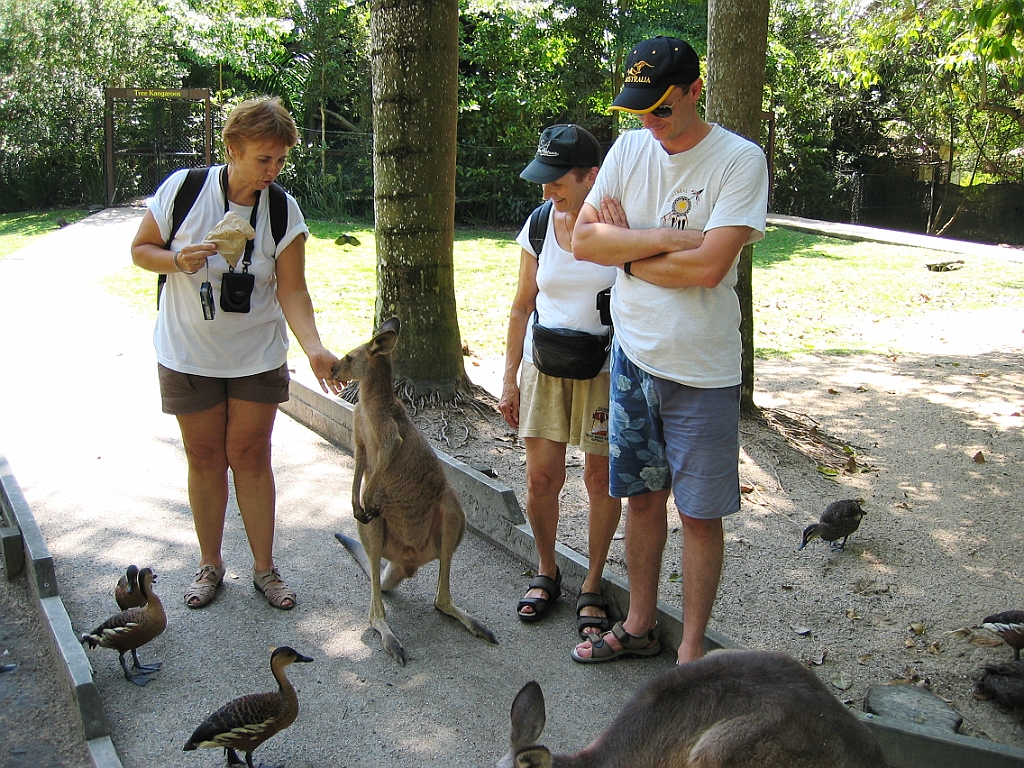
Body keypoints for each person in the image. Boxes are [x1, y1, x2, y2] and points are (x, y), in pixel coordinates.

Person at [570, 37, 769, 664]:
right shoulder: (632, 146)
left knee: (702, 516)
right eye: (640, 110)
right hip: (633, 358)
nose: (649, 123)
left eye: (661, 109)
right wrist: (661, 241)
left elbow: (711, 268)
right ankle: (638, 626)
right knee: (641, 499)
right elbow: (582, 241)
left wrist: (627, 253)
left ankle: (689, 659)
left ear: (693, 90)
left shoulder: (739, 161)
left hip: (702, 371)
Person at [130, 97, 342, 610]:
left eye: (280, 160)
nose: (272, 171)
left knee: (250, 457)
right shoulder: (183, 190)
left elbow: (293, 289)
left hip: (256, 356)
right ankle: (210, 565)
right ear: (232, 149)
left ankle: (265, 570)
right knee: (204, 457)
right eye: (262, 159)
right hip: (188, 353)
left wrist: (313, 347)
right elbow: (141, 251)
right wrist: (177, 259)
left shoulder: (280, 209)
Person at [498, 124, 622, 638]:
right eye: (543, 179)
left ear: (590, 176)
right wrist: (509, 378)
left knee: (599, 480)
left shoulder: (619, 222)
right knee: (541, 479)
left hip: (601, 369)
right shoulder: (539, 222)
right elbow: (522, 303)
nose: (547, 190)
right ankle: (547, 569)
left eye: (557, 181)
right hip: (544, 365)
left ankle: (592, 582)